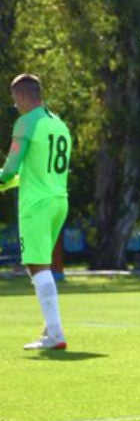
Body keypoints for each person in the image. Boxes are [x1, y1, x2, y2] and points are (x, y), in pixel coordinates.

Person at [0, 74, 72, 351]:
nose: (15, 105)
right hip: (58, 201)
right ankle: (50, 329)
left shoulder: (26, 122)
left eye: (14, 99)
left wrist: (3, 179)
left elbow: (10, 168)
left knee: (36, 265)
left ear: (20, 95)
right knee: (43, 263)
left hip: (37, 205)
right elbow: (36, 171)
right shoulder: (59, 124)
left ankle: (55, 334)